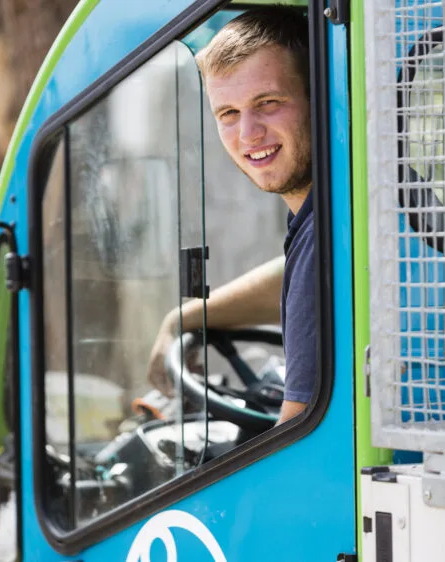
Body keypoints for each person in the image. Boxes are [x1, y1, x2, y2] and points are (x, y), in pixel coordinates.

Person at [146, 5, 315, 425]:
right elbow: (287, 277)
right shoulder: (334, 217)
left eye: (269, 102)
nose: (248, 134)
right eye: (228, 114)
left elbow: (296, 442)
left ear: (321, 96)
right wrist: (183, 319)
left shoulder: (325, 239)